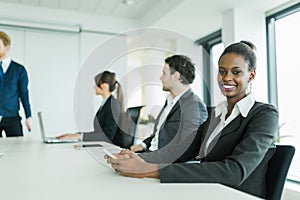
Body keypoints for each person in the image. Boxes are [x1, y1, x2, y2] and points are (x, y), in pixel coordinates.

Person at [107, 41, 279, 199]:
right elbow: (182, 149)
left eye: (236, 72)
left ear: (251, 75)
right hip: (207, 191)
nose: (227, 78)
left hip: (236, 195)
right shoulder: (216, 114)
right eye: (222, 71)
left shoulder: (265, 114)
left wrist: (149, 169)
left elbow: (233, 171)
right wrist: (140, 158)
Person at [130, 55, 207, 153]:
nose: (161, 78)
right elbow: (160, 135)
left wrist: (148, 159)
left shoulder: (194, 106)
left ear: (176, 76)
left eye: (164, 73)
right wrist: (143, 145)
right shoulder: (170, 101)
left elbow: (187, 148)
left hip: (162, 161)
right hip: (151, 154)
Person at [57, 71, 123, 144]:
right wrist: (76, 135)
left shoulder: (113, 105)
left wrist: (80, 136)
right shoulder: (106, 104)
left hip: (109, 149)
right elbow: (99, 133)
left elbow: (107, 136)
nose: (94, 87)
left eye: (96, 84)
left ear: (104, 86)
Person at [0, 31, 32, 137]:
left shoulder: (19, 70)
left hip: (12, 117)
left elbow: (24, 93)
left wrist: (28, 116)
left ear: (7, 47)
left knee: (17, 149)